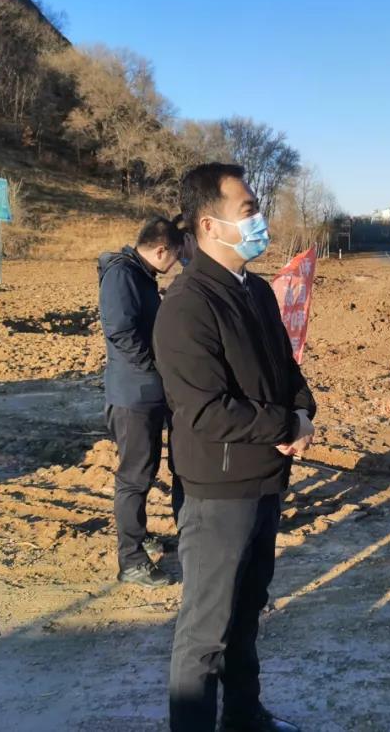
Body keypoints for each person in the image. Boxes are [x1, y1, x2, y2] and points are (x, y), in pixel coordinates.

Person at [154, 163, 316, 732]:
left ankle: (244, 718)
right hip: (218, 492)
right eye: (248, 210)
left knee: (246, 613)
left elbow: (286, 367)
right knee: (206, 634)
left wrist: (302, 411)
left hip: (265, 478)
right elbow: (203, 410)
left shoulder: (257, 292)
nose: (259, 219)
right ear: (209, 225)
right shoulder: (187, 305)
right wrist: (283, 425)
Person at [98, 216, 185, 588]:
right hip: (133, 395)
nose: (176, 264)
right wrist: (155, 366)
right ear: (161, 250)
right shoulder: (122, 275)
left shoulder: (140, 274)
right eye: (176, 256)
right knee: (134, 477)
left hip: (146, 390)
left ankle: (140, 536)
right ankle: (131, 560)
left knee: (144, 472)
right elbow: (120, 331)